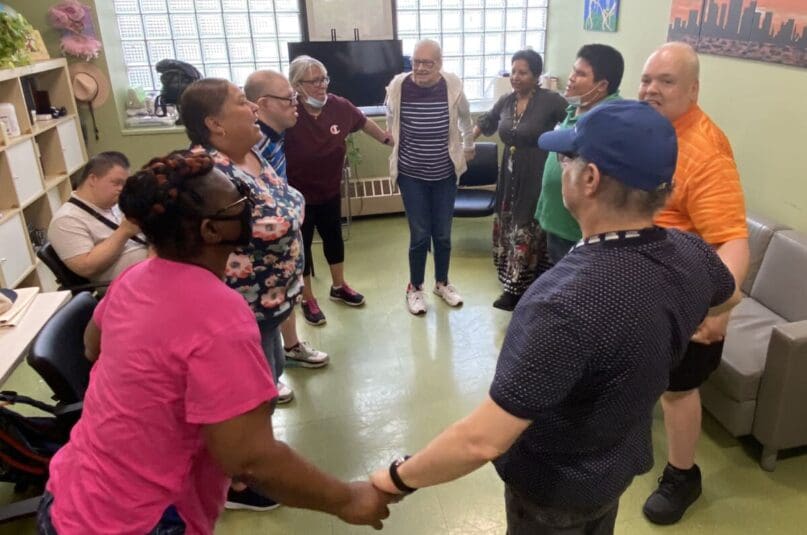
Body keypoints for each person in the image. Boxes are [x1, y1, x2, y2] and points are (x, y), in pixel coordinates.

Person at [370, 101, 740, 535]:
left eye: (566, 158)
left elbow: (482, 439)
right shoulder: (689, 252)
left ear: (589, 178)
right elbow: (728, 298)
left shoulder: (563, 302)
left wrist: (395, 478)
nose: (560, 167)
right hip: (616, 467)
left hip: (555, 491)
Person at [38, 151, 392, 534]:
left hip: (69, 494)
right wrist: (348, 499)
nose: (247, 207)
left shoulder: (134, 278)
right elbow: (252, 460)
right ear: (210, 231)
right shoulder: (220, 316)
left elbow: (94, 348)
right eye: (238, 203)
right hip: (139, 521)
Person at [180, 78, 306, 509]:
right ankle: (235, 483)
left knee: (266, 385)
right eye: (241, 103)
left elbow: (280, 209)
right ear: (214, 123)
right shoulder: (206, 174)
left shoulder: (252, 154)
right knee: (243, 399)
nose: (253, 108)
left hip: (271, 304)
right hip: (239, 309)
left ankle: (248, 463)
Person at [638, 42, 750, 526]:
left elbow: (733, 241)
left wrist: (720, 307)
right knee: (647, 379)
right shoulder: (650, 130)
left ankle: (683, 475)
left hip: (686, 296)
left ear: (693, 89)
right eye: (647, 79)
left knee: (678, 391)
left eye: (665, 81)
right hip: (643, 286)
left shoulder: (704, 150)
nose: (651, 90)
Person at [284, 55, 391, 326]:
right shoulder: (289, 111)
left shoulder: (339, 106)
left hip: (330, 189)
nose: (322, 85)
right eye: (314, 81)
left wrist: (391, 141)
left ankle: (338, 286)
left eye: (324, 79)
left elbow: (365, 124)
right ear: (297, 85)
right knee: (303, 246)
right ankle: (307, 298)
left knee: (334, 238)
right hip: (298, 196)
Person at [244, 69, 329, 370]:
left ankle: (291, 346)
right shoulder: (250, 146)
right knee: (261, 311)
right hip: (258, 252)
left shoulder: (275, 135)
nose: (297, 103)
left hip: (283, 242)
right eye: (290, 98)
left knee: (285, 291)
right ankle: (262, 371)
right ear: (263, 104)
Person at [385, 39, 474, 315]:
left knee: (444, 234)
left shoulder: (453, 86)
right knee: (420, 234)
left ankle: (442, 283)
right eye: (416, 62)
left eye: (428, 63)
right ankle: (415, 287)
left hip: (444, 174)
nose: (420, 68)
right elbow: (390, 118)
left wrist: (469, 147)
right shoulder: (399, 86)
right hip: (411, 174)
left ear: (440, 63)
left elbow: (466, 120)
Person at [474, 50, 567, 311]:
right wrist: (466, 141)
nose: (516, 77)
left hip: (537, 173)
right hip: (510, 173)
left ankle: (522, 288)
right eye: (513, 71)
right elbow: (487, 121)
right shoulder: (506, 100)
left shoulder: (551, 101)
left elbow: (573, 120)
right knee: (510, 225)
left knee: (527, 227)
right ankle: (510, 282)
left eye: (522, 72)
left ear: (536, 75)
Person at [534, 44, 624, 263]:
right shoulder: (577, 106)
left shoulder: (607, 119)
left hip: (578, 232)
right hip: (557, 221)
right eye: (574, 70)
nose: (571, 78)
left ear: (602, 85)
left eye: (581, 74)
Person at [47, 151, 147, 283]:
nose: (121, 189)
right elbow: (86, 267)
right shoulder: (66, 219)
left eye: (124, 184)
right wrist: (124, 231)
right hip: (123, 286)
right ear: (93, 179)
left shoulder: (114, 204)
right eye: (116, 183)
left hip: (146, 269)